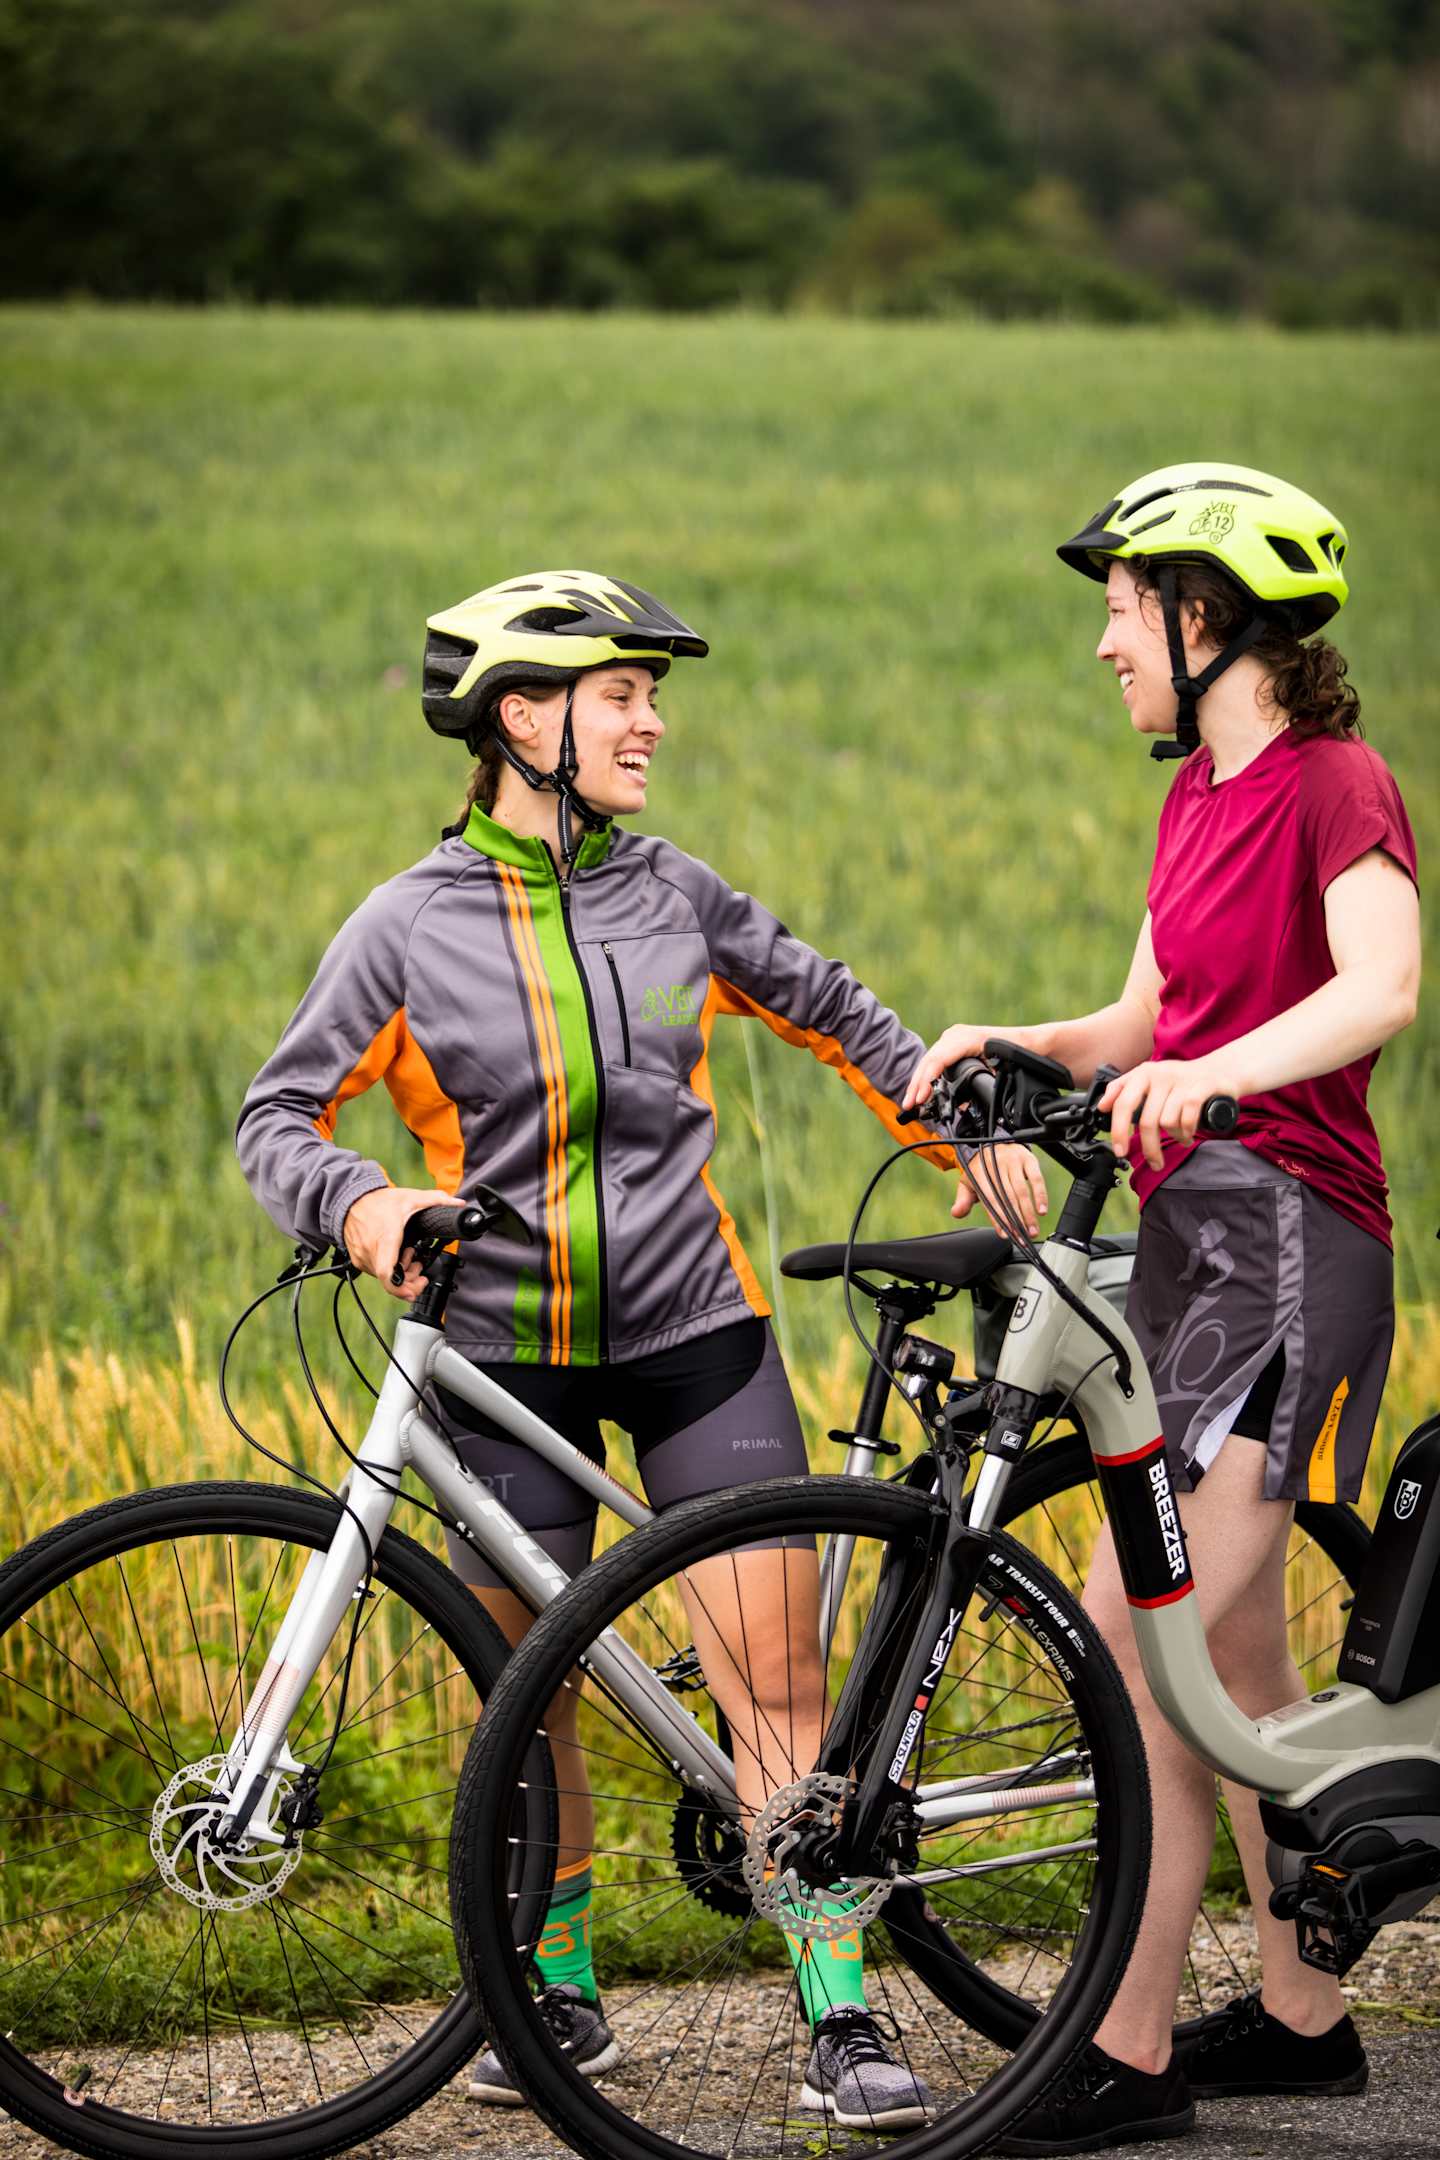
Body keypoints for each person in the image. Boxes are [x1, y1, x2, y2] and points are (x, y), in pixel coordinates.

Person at [237, 570, 1036, 2127]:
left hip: (694, 1332)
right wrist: (362, 1197)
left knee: (772, 1676)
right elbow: (278, 1117)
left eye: (649, 697)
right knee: (522, 1699)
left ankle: (839, 2004)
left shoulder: (672, 893)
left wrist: (954, 1131)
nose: (652, 722)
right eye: (622, 696)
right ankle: (560, 1987)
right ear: (522, 719)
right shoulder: (403, 929)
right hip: (496, 1352)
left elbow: (840, 1011)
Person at [906, 465, 1420, 2155]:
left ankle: (1123, 2056)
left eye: (1122, 610)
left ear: (1207, 618)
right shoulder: (1193, 798)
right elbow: (1141, 1016)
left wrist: (1213, 1078)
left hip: (1295, 1243)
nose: (1103, 645)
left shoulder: (1333, 783)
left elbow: (1382, 984)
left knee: (1151, 1637)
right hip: (1198, 1244)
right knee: (1239, 1656)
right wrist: (1014, 1046)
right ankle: (1302, 2020)